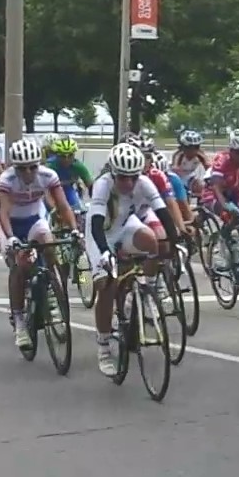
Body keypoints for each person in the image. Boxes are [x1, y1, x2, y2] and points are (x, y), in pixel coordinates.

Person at [86, 144, 183, 377]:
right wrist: (104, 252)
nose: (128, 183)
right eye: (123, 178)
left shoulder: (144, 183)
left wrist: (175, 241)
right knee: (107, 288)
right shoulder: (103, 185)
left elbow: (163, 214)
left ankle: (146, 287)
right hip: (100, 233)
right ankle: (103, 347)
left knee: (153, 241)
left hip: (124, 225)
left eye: (132, 177)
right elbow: (97, 223)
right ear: (113, 172)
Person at [0, 139, 74, 351]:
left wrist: (74, 229)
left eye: (33, 166)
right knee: (20, 267)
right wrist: (11, 238)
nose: (29, 172)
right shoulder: (7, 178)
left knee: (49, 244)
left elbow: (63, 205)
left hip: (34, 220)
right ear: (15, 167)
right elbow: (3, 212)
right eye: (23, 168)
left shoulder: (48, 175)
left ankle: (51, 291)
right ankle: (19, 320)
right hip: (11, 224)